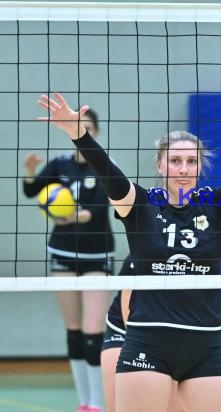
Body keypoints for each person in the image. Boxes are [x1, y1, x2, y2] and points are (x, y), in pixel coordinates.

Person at [38, 92, 221, 412]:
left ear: (201, 166)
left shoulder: (218, 207)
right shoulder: (139, 204)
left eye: (191, 161)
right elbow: (107, 171)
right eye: (175, 160)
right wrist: (79, 134)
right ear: (160, 164)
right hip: (148, 341)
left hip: (206, 344)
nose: (183, 169)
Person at [23, 109, 113, 412]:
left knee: (92, 330)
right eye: (76, 127)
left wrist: (68, 215)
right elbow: (31, 191)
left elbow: (99, 211)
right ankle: (84, 402)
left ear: (95, 133)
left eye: (86, 128)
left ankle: (99, 404)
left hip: (96, 256)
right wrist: (30, 170)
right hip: (63, 253)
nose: (81, 133)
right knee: (73, 330)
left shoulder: (104, 166)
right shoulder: (60, 163)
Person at [101, 257, 185, 412]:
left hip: (172, 331)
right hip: (124, 330)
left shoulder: (195, 258)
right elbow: (129, 317)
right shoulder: (140, 254)